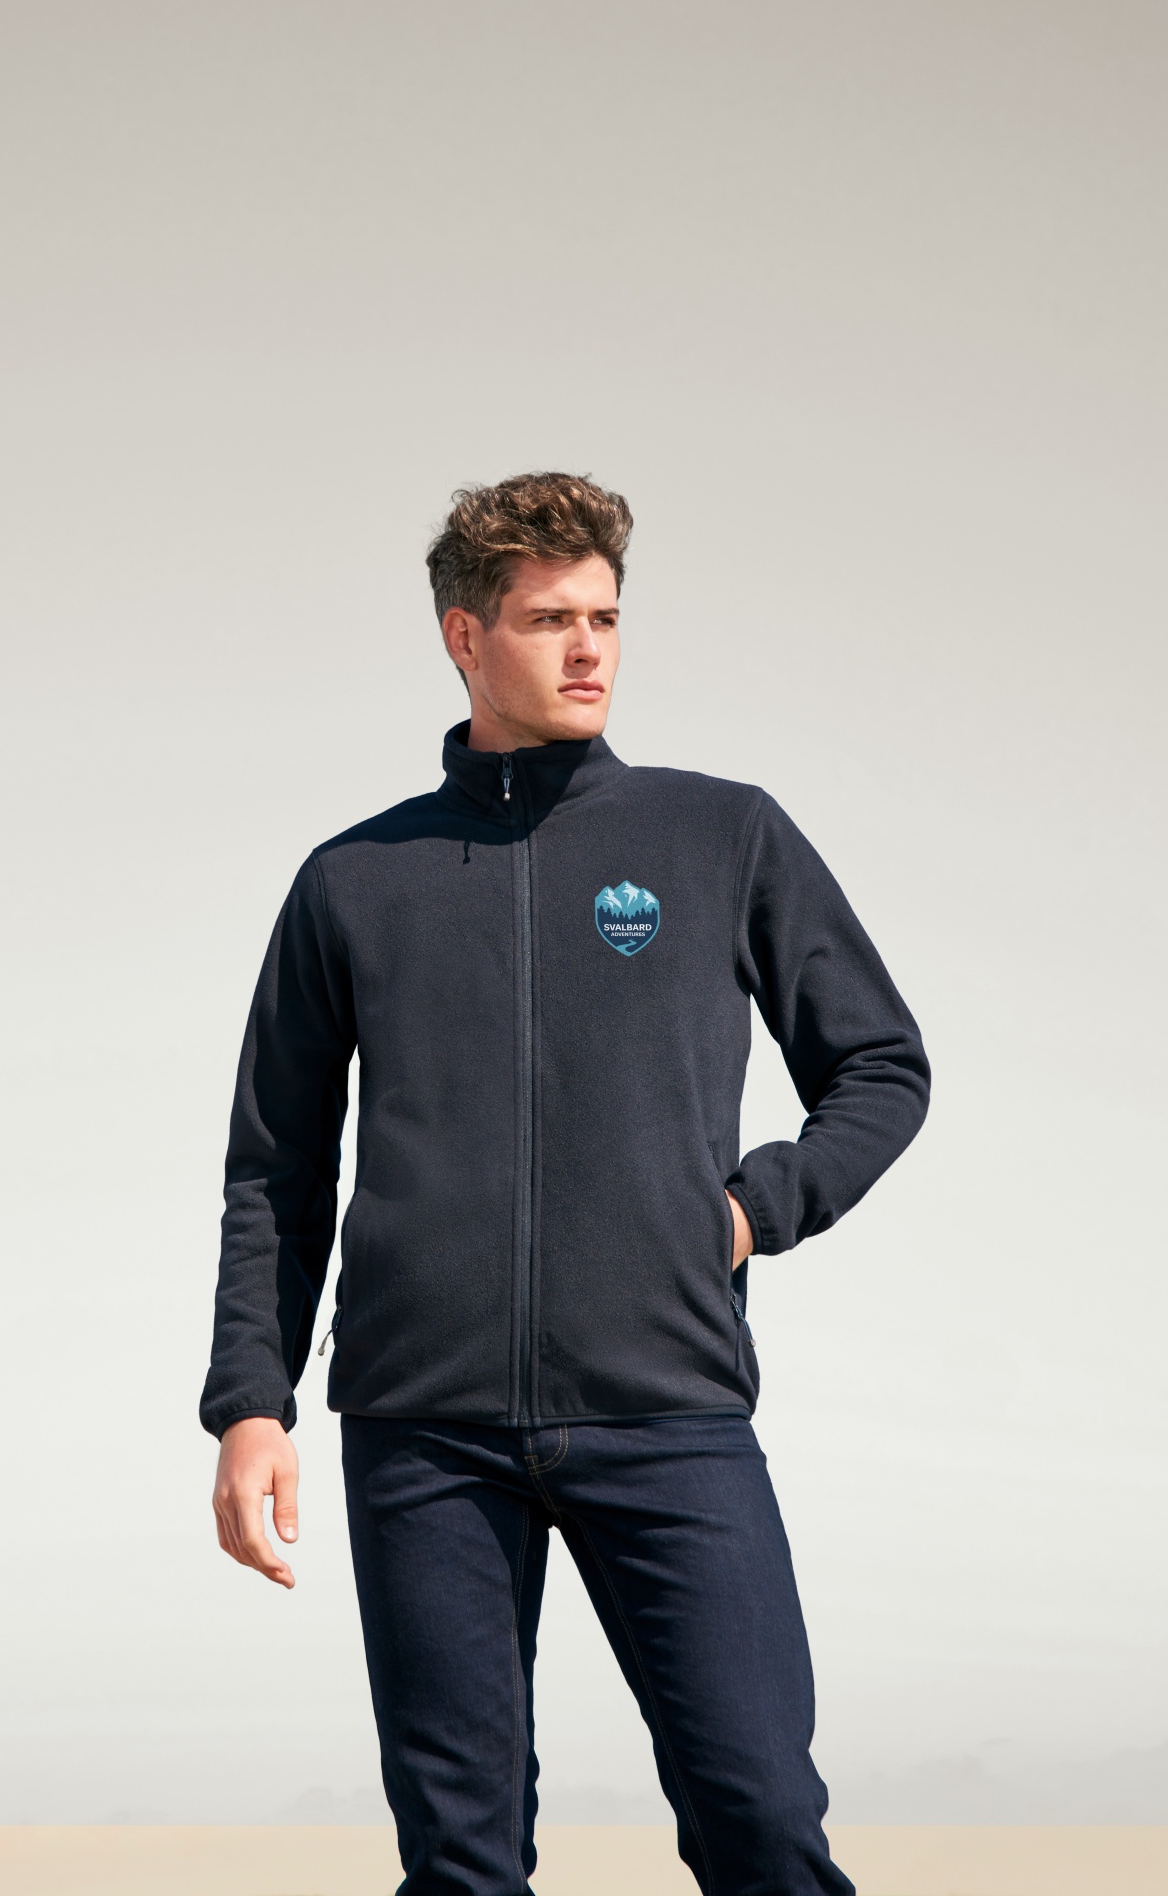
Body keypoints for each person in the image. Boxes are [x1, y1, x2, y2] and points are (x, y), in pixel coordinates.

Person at [202, 472, 929, 1896]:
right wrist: (249, 1402)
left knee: (762, 1821)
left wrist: (747, 1211)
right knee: (462, 1863)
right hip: (423, 1432)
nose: (588, 647)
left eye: (604, 617)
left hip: (668, 1408)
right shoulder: (354, 880)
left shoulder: (720, 836)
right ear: (465, 638)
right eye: (549, 620)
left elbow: (881, 1065)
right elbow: (274, 1167)